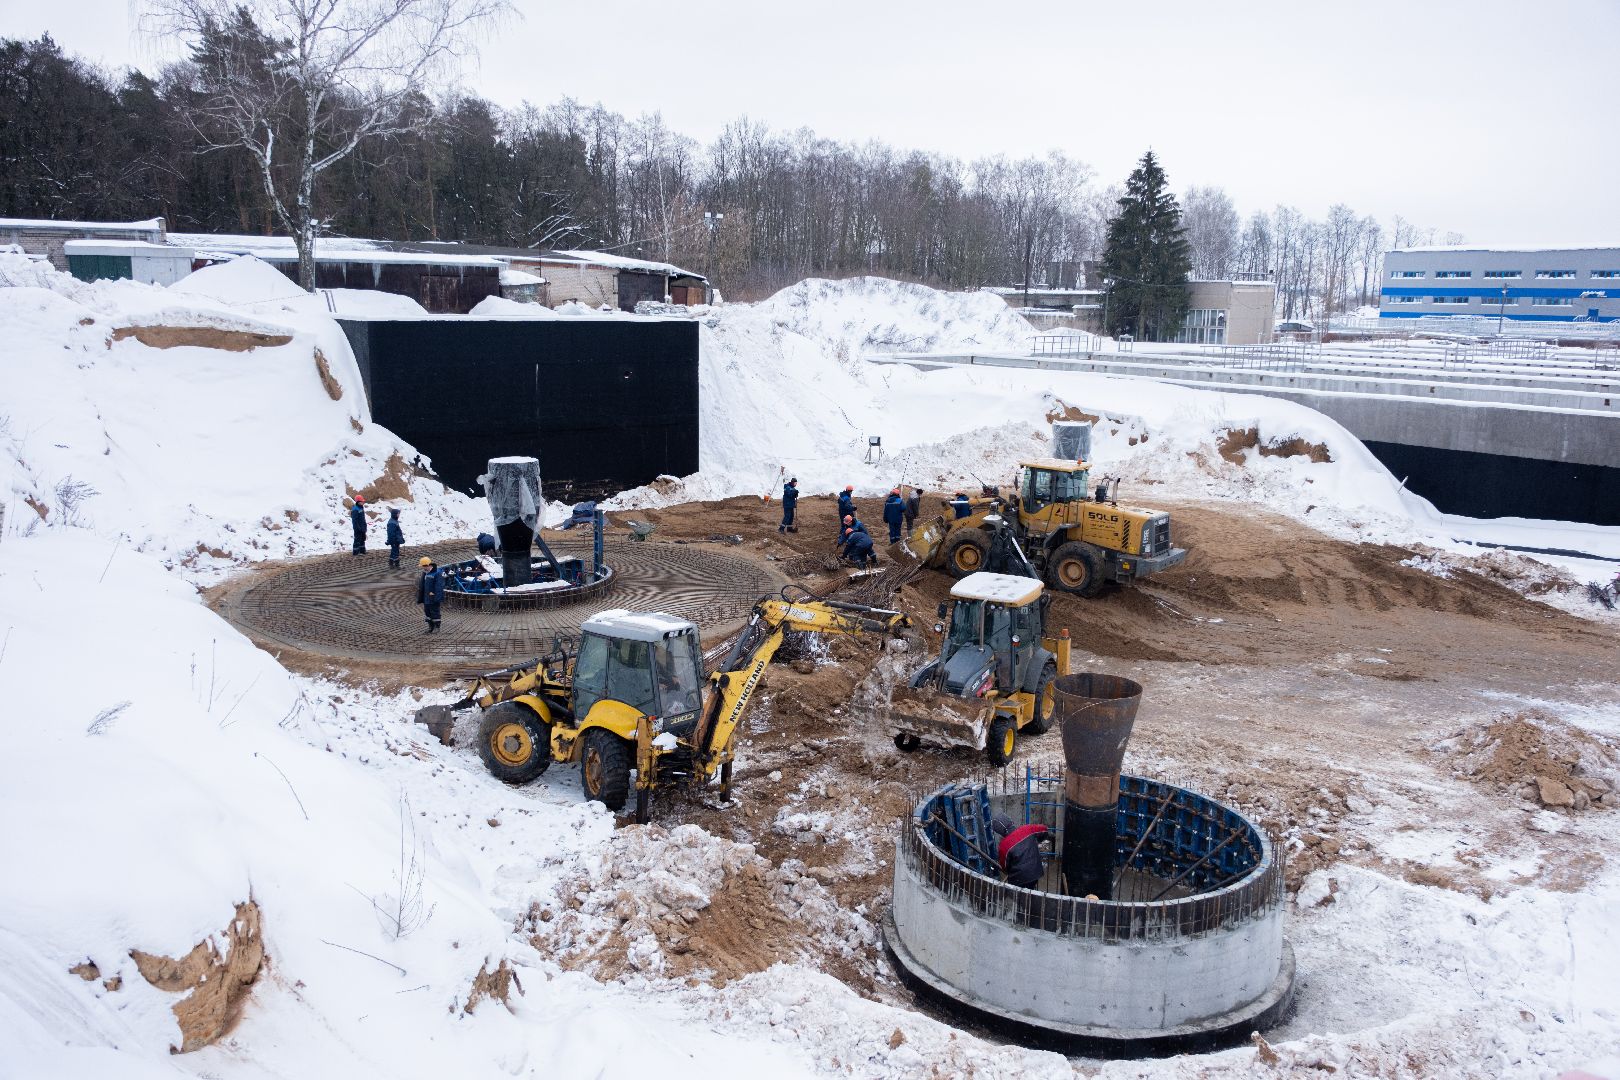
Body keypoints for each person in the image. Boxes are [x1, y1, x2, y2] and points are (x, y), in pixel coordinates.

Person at [991, 814, 1050, 889]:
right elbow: (1044, 829)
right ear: (1010, 821)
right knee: (1031, 890)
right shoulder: (1027, 829)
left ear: (999, 831)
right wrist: (1039, 841)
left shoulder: (1003, 845)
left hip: (1018, 879)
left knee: (1021, 896)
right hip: (1036, 873)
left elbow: (1004, 866)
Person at [417, 556, 445, 633]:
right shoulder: (425, 573)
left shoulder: (437, 573)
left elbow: (439, 586)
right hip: (426, 597)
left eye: (423, 566)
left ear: (427, 565)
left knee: (435, 611)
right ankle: (431, 626)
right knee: (427, 611)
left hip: (433, 597)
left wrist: (437, 597)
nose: (422, 568)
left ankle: (437, 627)